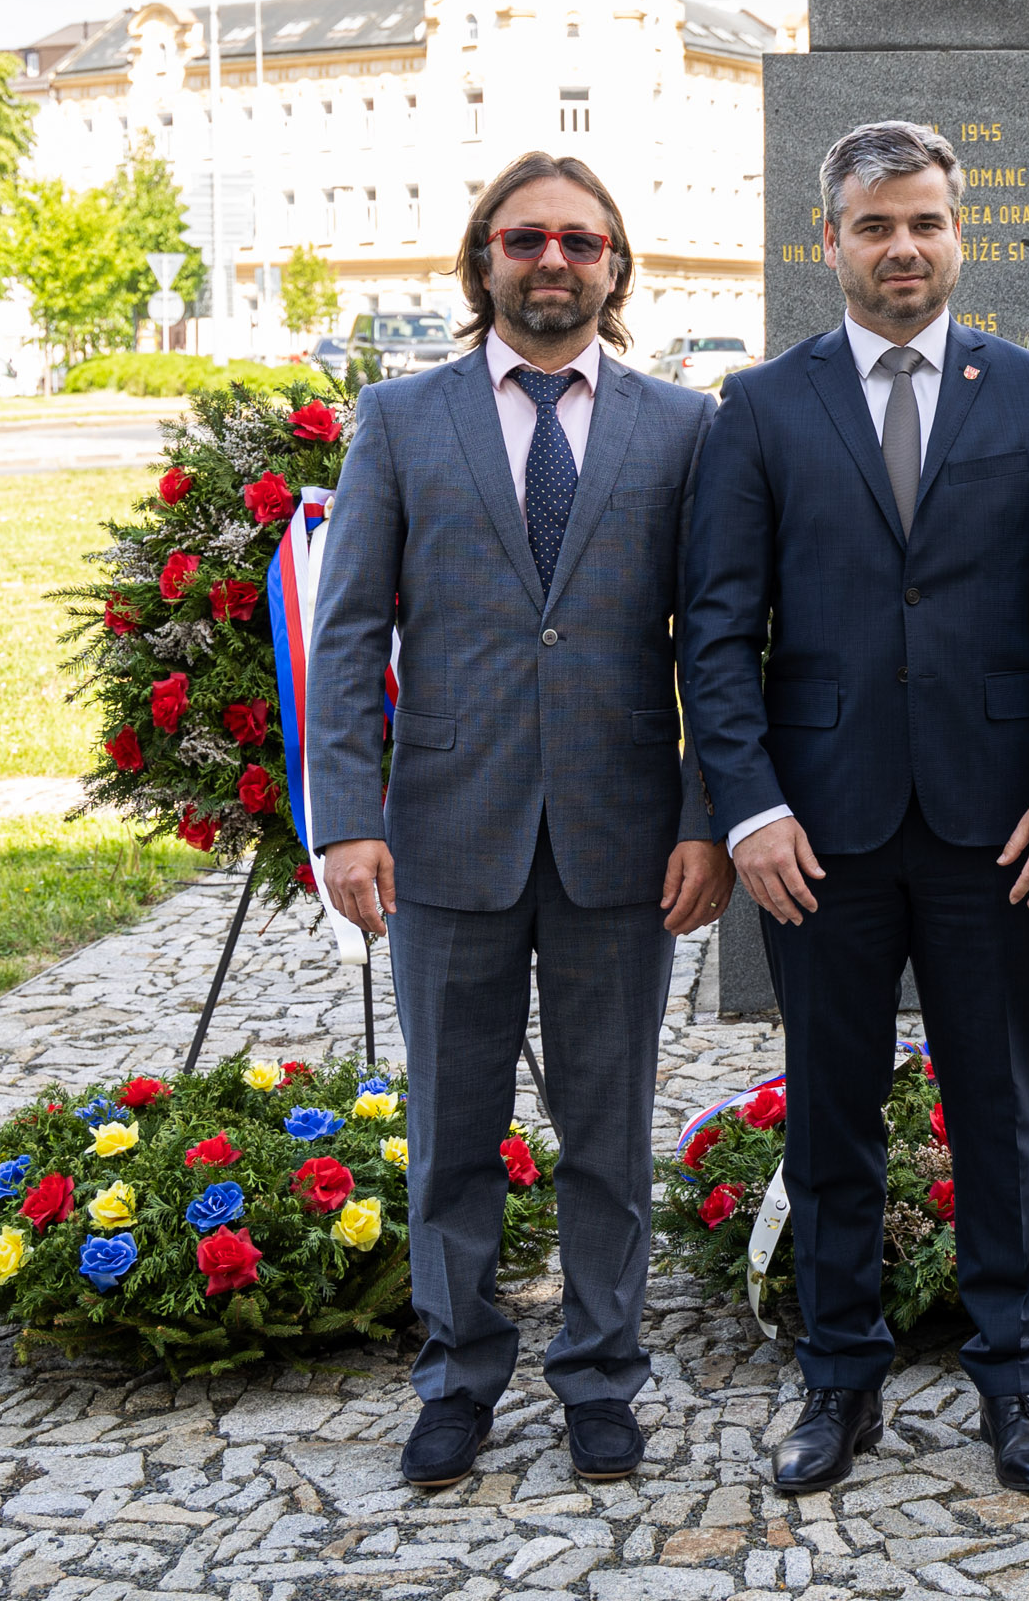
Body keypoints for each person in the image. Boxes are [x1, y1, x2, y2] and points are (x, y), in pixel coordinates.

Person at [681, 119, 1029, 1496]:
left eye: (926, 221)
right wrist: (748, 808)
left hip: (997, 823)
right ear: (830, 240)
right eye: (875, 226)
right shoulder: (759, 406)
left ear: (958, 229)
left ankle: (1013, 1371)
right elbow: (718, 631)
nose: (903, 248)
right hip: (819, 832)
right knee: (832, 1111)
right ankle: (840, 1375)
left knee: (999, 1103)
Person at [309, 151, 735, 1492]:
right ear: (480, 256)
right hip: (445, 829)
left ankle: (603, 1377)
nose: (553, 260)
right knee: (449, 1131)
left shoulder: (683, 427)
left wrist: (710, 814)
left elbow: (720, 640)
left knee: (610, 1131)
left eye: (581, 241)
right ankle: (456, 1374)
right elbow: (349, 627)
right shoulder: (399, 414)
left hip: (626, 837)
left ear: (617, 267)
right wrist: (345, 816)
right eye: (525, 237)